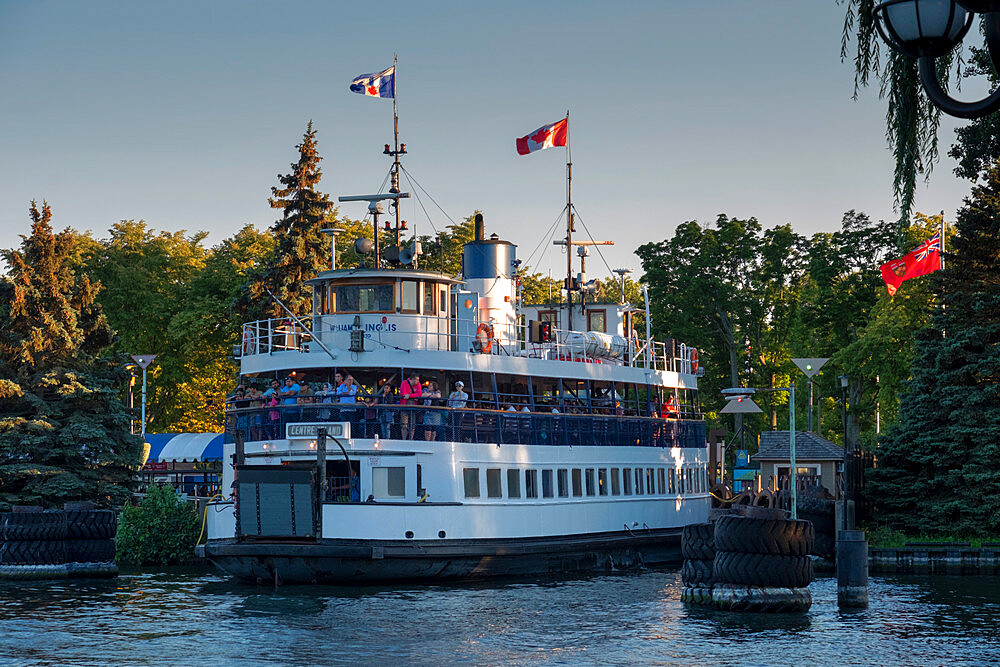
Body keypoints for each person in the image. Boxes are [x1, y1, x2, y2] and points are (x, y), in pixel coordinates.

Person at [399, 372, 422, 439]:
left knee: (412, 425)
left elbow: (419, 394)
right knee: (404, 424)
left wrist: (409, 395)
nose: (418, 381)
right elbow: (403, 394)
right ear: (412, 379)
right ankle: (404, 439)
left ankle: (410, 439)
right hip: (404, 406)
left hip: (413, 407)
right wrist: (413, 396)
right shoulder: (404, 383)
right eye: (417, 380)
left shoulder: (418, 384)